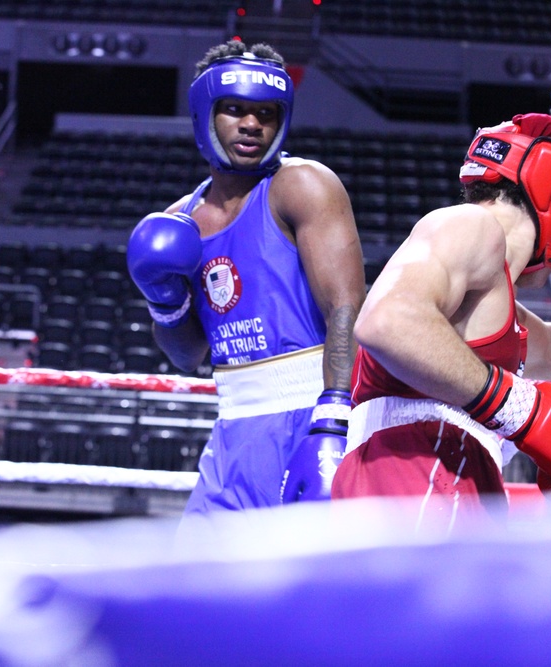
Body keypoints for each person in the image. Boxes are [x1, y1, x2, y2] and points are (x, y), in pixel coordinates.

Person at [331, 112, 551, 530]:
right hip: (418, 473)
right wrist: (514, 405)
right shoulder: (472, 226)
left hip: (442, 479)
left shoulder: (504, 317)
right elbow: (384, 321)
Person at [126, 40, 366, 513]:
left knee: (307, 584)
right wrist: (163, 300)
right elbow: (187, 354)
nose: (252, 124)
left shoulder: (302, 185)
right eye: (234, 109)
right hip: (234, 428)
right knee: (197, 578)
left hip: (314, 416)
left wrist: (336, 420)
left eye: (266, 113)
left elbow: (346, 308)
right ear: (205, 113)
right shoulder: (181, 220)